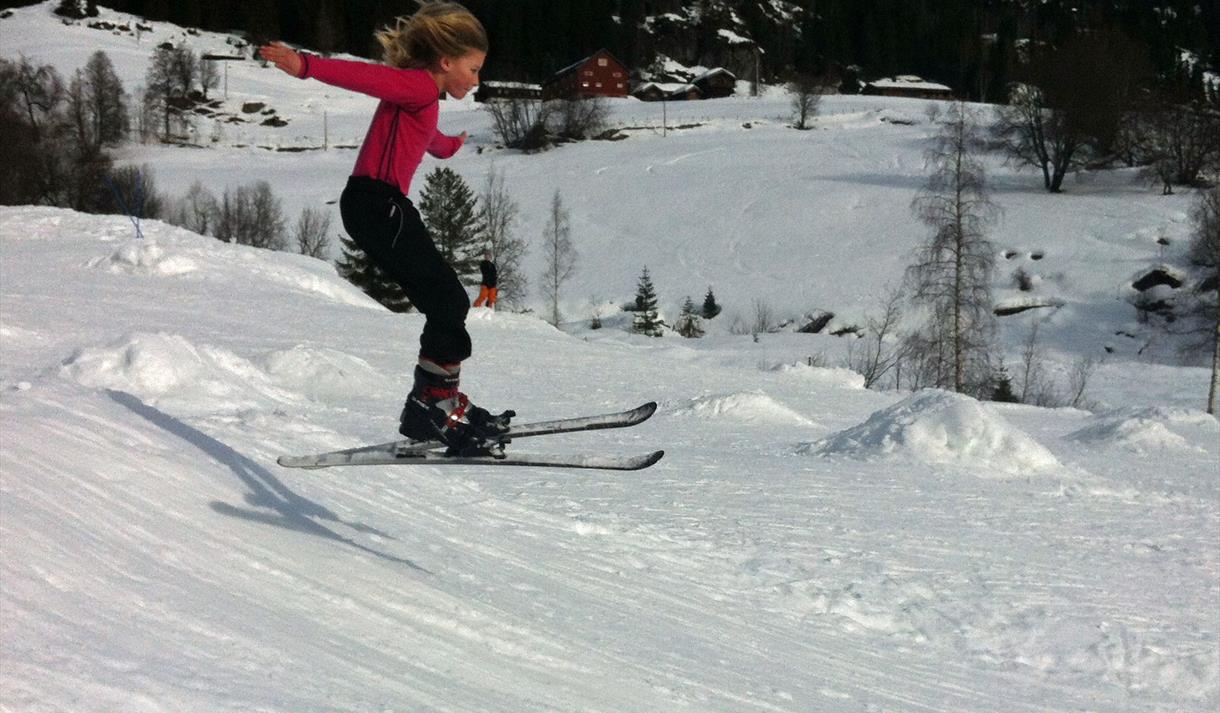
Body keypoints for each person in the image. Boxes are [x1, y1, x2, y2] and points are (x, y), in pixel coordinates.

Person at [259, 2, 512, 453]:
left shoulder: (422, 97)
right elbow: (368, 78)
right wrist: (306, 66)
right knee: (448, 300)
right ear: (446, 61)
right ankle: (433, 405)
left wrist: (449, 146)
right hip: (377, 204)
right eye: (473, 70)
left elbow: (427, 137)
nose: (476, 81)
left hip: (379, 205)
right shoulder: (417, 86)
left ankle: (432, 403)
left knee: (446, 300)